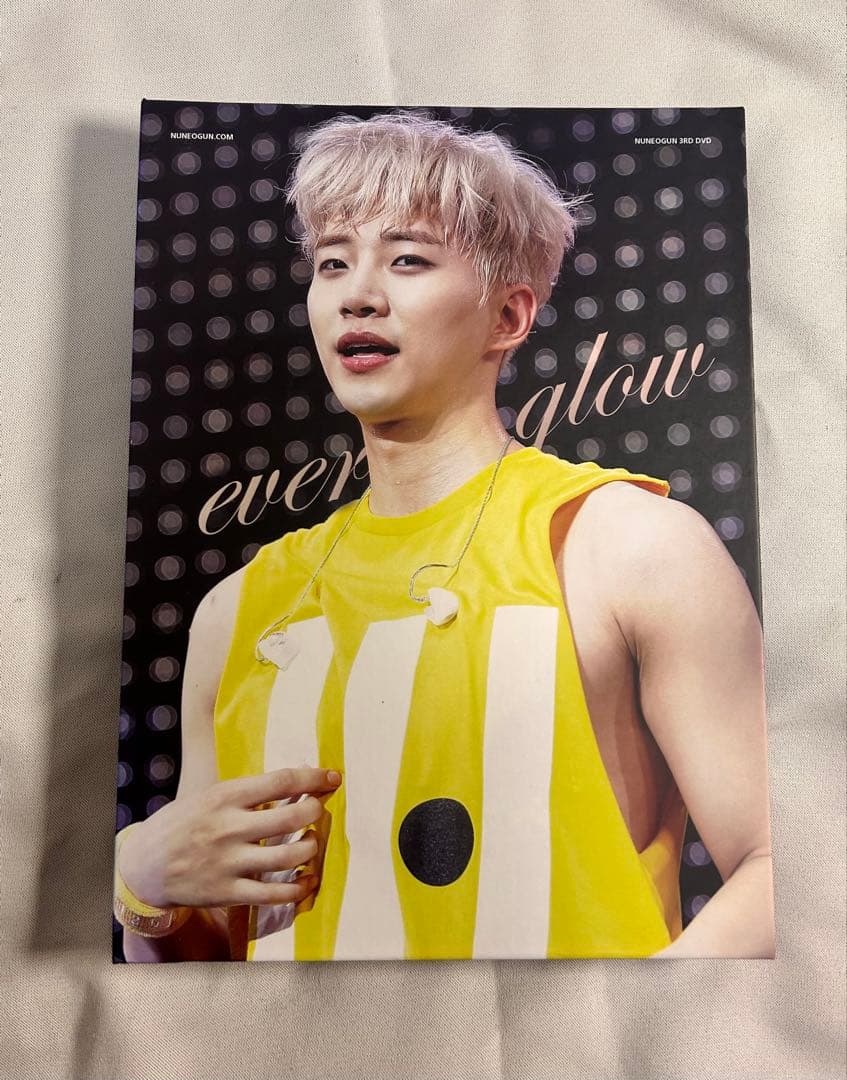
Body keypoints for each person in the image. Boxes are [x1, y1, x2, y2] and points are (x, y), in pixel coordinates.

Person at [114, 112, 775, 962]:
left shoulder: (628, 547)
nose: (356, 294)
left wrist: (617, 1028)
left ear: (507, 315)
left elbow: (779, 865)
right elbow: (204, 964)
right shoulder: (235, 612)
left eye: (407, 259)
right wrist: (146, 889)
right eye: (332, 262)